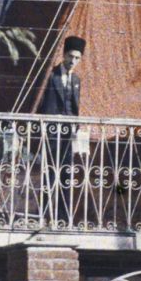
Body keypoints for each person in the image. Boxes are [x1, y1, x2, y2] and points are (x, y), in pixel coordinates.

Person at [35, 37, 86, 224]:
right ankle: (45, 215)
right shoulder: (51, 76)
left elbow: (75, 107)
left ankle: (63, 217)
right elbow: (41, 103)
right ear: (64, 55)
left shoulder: (76, 80)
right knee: (49, 172)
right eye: (71, 56)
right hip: (51, 132)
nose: (73, 61)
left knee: (66, 173)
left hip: (68, 135)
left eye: (77, 58)